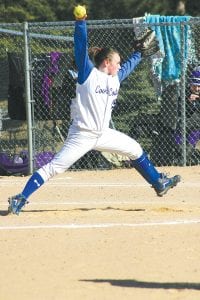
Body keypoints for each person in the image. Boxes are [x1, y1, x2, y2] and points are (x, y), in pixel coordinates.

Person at [8, 8, 181, 215]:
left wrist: (138, 54)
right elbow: (81, 47)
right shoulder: (88, 74)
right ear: (106, 62)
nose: (119, 65)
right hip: (81, 134)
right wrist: (80, 22)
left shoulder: (115, 79)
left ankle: (158, 183)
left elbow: (130, 65)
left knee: (135, 149)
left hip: (103, 133)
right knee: (55, 167)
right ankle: (21, 197)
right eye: (116, 62)